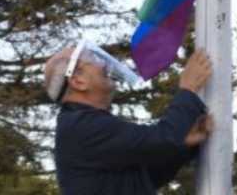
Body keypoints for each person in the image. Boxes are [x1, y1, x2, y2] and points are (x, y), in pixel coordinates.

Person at [44, 41, 214, 194]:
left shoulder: (80, 125)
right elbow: (164, 138)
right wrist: (188, 88)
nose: (103, 64)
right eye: (91, 58)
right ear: (78, 81)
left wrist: (184, 144)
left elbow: (144, 178)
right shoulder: (81, 126)